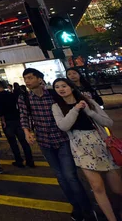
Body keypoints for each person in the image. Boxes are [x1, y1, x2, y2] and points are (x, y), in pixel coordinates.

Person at [19, 68, 94, 220]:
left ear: (40, 79)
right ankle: (76, 207)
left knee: (70, 175)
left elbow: (70, 105)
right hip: (44, 141)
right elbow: (24, 116)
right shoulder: (24, 97)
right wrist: (27, 132)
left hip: (63, 138)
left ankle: (87, 209)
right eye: (25, 79)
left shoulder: (53, 94)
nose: (27, 81)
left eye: (30, 78)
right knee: (60, 176)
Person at [51, 78, 121, 221]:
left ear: (71, 87)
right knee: (97, 187)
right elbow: (63, 126)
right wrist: (75, 109)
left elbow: (108, 122)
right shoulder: (57, 106)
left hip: (102, 144)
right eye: (57, 87)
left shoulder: (88, 101)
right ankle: (111, 218)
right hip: (80, 147)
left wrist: (90, 112)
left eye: (64, 86)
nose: (61, 89)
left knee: (117, 188)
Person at [0, 80, 35, 168]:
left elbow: (0, 111)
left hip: (7, 122)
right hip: (18, 120)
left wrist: (3, 120)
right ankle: (30, 161)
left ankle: (19, 160)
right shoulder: (12, 95)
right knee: (24, 142)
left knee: (13, 143)